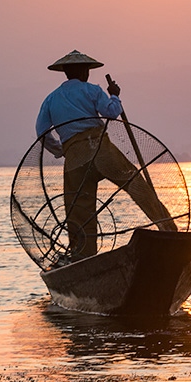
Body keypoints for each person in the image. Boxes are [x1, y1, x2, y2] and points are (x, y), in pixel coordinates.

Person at [36, 50, 176, 262]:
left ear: (65, 72)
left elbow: (42, 132)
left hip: (74, 158)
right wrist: (114, 95)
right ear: (84, 71)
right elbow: (111, 112)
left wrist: (60, 150)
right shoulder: (92, 90)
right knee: (136, 184)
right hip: (100, 150)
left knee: (78, 210)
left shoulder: (51, 99)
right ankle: (169, 229)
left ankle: (83, 256)